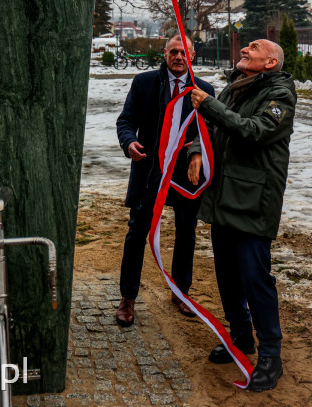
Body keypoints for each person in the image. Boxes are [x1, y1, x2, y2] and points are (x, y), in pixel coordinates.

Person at [189, 39, 295, 392]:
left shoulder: (280, 94)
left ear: (270, 62)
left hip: (252, 201)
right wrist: (195, 152)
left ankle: (270, 356)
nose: (246, 48)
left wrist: (211, 108)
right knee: (227, 275)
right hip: (225, 196)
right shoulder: (236, 87)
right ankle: (240, 339)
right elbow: (215, 130)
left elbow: (254, 132)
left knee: (255, 279)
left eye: (255, 46)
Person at [115, 35, 215, 326]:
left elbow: (210, 128)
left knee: (186, 231)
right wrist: (129, 142)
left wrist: (196, 149)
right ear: (165, 54)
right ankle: (128, 297)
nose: (178, 57)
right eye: (173, 52)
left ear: (192, 56)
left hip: (185, 176)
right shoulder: (144, 83)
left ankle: (180, 292)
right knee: (137, 233)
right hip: (149, 173)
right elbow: (125, 120)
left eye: (184, 53)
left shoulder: (203, 90)